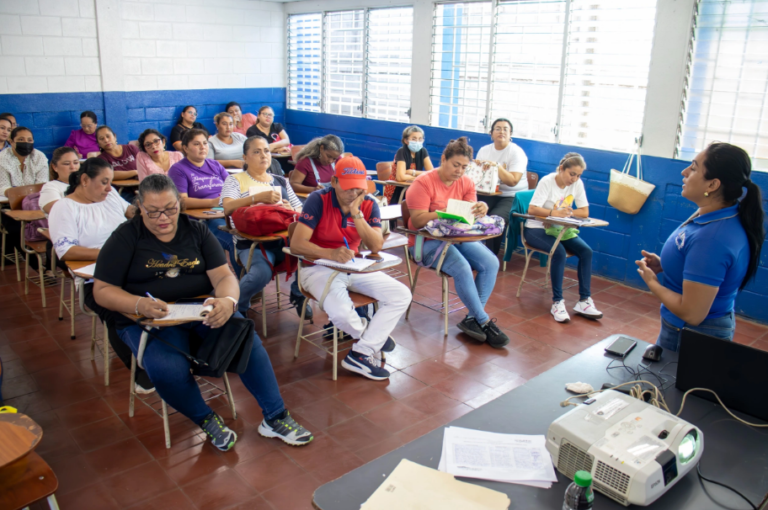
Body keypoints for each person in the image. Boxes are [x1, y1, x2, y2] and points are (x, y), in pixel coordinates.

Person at [93, 174, 313, 451]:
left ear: (179, 204)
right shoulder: (126, 237)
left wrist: (229, 301)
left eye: (171, 209)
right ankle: (206, 418)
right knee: (167, 368)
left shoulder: (195, 230)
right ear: (139, 206)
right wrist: (139, 304)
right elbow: (101, 290)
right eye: (153, 212)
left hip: (199, 309)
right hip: (149, 318)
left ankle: (275, 416)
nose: (163, 218)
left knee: (245, 338)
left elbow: (223, 275)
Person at [636, 143, 765, 352]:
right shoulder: (714, 214)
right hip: (682, 328)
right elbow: (699, 264)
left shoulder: (712, 238)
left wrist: (652, 283)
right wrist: (667, 265)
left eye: (694, 168)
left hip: (692, 333)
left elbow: (693, 313)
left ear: (712, 185)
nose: (684, 172)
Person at [292, 156, 411, 381]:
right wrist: (330, 253)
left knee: (401, 294)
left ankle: (360, 353)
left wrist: (357, 215)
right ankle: (372, 338)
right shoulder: (318, 199)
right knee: (341, 313)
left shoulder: (368, 203)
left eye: (359, 189)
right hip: (316, 267)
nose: (354, 194)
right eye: (348, 188)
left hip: (354, 265)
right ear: (334, 181)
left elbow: (376, 245)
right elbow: (297, 244)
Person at [47, 159, 148, 391]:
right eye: (104, 182)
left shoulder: (109, 195)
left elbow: (130, 211)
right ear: (84, 180)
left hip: (132, 268)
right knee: (117, 311)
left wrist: (144, 207)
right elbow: (66, 251)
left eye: (110, 182)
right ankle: (140, 370)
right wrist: (109, 253)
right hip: (96, 279)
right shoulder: (64, 207)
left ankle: (171, 350)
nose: (109, 188)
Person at [406, 137, 510, 348]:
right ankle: (483, 321)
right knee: (461, 267)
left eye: (464, 167)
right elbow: (416, 221)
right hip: (424, 241)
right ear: (443, 159)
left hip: (455, 237)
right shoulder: (423, 183)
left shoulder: (466, 182)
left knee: (491, 263)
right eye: (456, 165)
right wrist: (443, 213)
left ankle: (472, 319)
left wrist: (480, 208)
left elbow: (470, 216)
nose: (460, 171)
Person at [220, 136, 305, 316]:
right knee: (260, 274)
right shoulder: (235, 180)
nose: (263, 155)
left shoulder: (280, 181)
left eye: (266, 151)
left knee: (314, 259)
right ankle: (234, 309)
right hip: (252, 244)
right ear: (245, 157)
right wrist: (256, 198)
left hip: (285, 241)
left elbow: (300, 208)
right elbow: (227, 207)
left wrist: (291, 208)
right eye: (256, 152)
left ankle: (299, 294)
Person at [524, 153, 602, 323]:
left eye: (579, 175)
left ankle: (584, 301)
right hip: (536, 229)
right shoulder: (547, 181)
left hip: (559, 228)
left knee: (586, 252)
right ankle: (557, 302)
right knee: (558, 252)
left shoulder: (577, 184)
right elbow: (532, 209)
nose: (574, 179)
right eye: (571, 174)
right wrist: (553, 213)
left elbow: (585, 212)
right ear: (561, 169)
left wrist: (568, 212)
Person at [167, 129, 234, 263]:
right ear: (185, 148)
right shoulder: (178, 169)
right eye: (197, 144)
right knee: (234, 241)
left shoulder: (214, 164)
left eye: (205, 143)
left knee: (248, 235)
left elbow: (233, 187)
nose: (203, 147)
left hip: (227, 212)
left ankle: (248, 279)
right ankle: (240, 283)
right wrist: (212, 202)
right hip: (204, 220)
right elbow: (182, 201)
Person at [476, 118, 529, 255]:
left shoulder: (517, 152)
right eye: (498, 128)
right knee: (471, 211)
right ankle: (471, 252)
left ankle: (488, 257)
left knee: (495, 220)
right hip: (489, 194)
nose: (502, 131)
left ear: (510, 134)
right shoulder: (484, 150)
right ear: (491, 133)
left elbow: (513, 181)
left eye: (506, 129)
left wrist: (496, 166)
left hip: (512, 196)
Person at [384, 125, 434, 204]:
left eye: (420, 139)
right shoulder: (402, 152)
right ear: (406, 140)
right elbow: (400, 177)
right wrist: (421, 177)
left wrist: (412, 172)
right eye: (414, 139)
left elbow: (432, 173)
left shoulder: (423, 151)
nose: (417, 142)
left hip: (414, 187)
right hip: (397, 189)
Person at [0, 126, 49, 196]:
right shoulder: (2, 158)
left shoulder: (39, 157)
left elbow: (42, 185)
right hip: (8, 201)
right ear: (11, 142)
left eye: (29, 140)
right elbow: (2, 187)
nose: (26, 143)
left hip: (35, 199)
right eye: (21, 139)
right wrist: (19, 194)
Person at [40, 147, 80, 216]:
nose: (73, 167)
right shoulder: (51, 187)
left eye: (76, 163)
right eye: (67, 164)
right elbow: (58, 211)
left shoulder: (85, 185)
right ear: (54, 167)